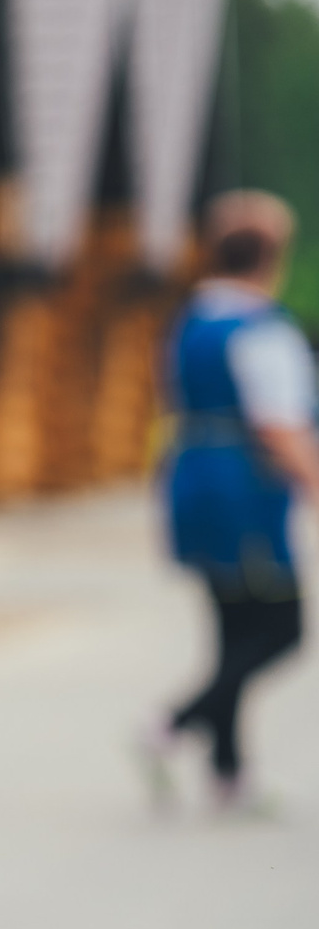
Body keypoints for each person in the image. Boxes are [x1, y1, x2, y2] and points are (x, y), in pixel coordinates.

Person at [147, 189, 318, 812]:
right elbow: (280, 426)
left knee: (232, 628)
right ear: (274, 255)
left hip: (192, 477)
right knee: (282, 629)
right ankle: (172, 723)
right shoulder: (262, 331)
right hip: (245, 488)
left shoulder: (192, 319)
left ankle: (228, 774)